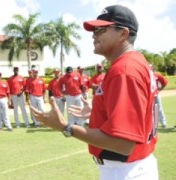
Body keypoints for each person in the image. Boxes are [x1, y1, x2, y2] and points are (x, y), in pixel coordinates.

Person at [30, 5, 158, 179]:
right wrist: (102, 111)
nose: (94, 35)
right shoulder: (135, 62)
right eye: (94, 30)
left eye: (101, 29)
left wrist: (65, 127)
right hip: (132, 167)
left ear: (123, 34)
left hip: (125, 171)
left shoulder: (124, 70)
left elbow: (123, 143)